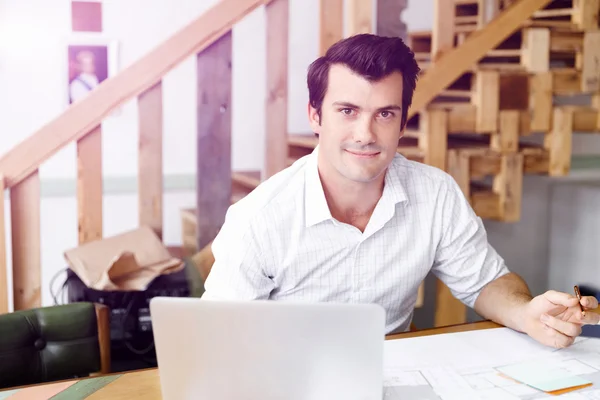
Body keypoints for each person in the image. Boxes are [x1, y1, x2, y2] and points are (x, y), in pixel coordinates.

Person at [201, 34, 599, 348]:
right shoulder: (259, 215)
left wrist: (527, 313)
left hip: (394, 375)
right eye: (347, 111)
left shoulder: (435, 193)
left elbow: (485, 282)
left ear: (403, 122)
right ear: (315, 116)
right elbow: (217, 339)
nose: (365, 134)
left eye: (385, 114)